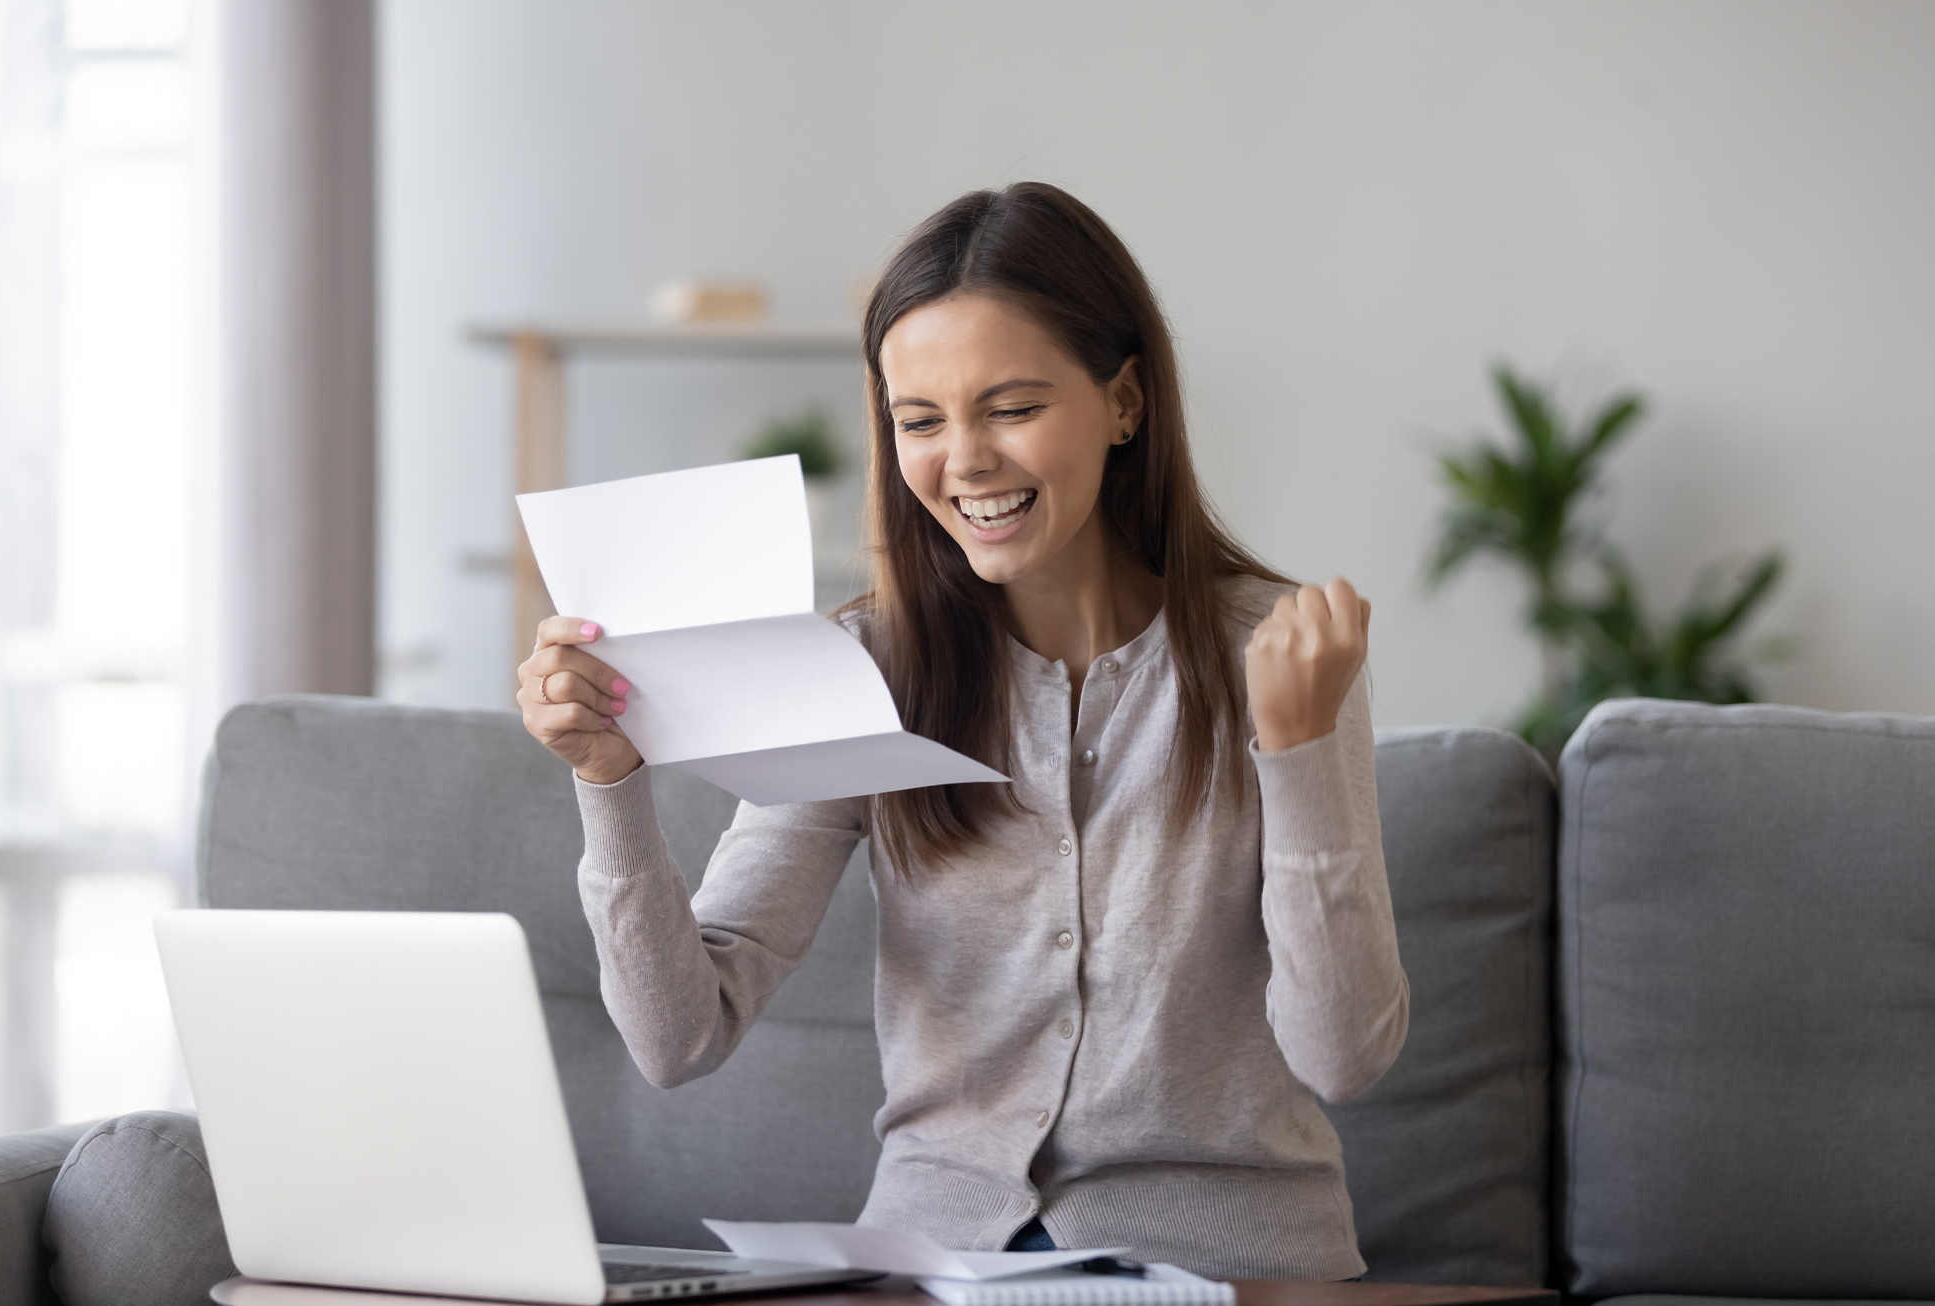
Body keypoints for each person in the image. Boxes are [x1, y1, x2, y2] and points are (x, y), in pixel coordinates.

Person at [518, 182, 1407, 1281]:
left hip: (1229, 1267)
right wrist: (609, 780)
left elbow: (1345, 1052)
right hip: (937, 1263)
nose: (965, 461)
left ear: (1123, 401)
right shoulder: (866, 668)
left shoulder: (1275, 653)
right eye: (920, 421)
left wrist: (1299, 751)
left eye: (1013, 406)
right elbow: (677, 1036)